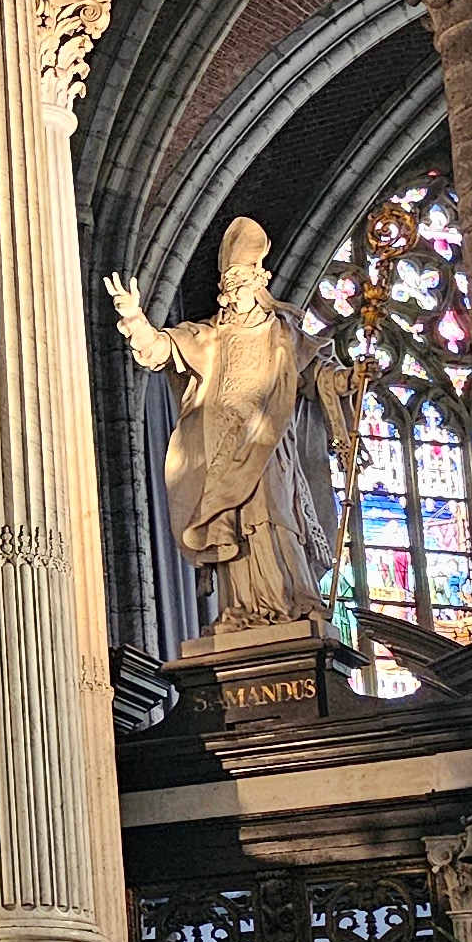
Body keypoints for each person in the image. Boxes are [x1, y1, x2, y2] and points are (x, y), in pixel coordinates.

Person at [105, 220, 347, 639]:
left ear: (258, 283)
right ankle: (244, 607)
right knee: (235, 528)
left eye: (240, 283)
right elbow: (161, 349)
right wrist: (134, 318)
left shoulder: (282, 333)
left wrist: (347, 380)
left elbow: (317, 375)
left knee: (274, 517)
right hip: (225, 452)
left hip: (269, 448)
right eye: (228, 285)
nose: (232, 293)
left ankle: (289, 600)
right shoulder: (211, 337)